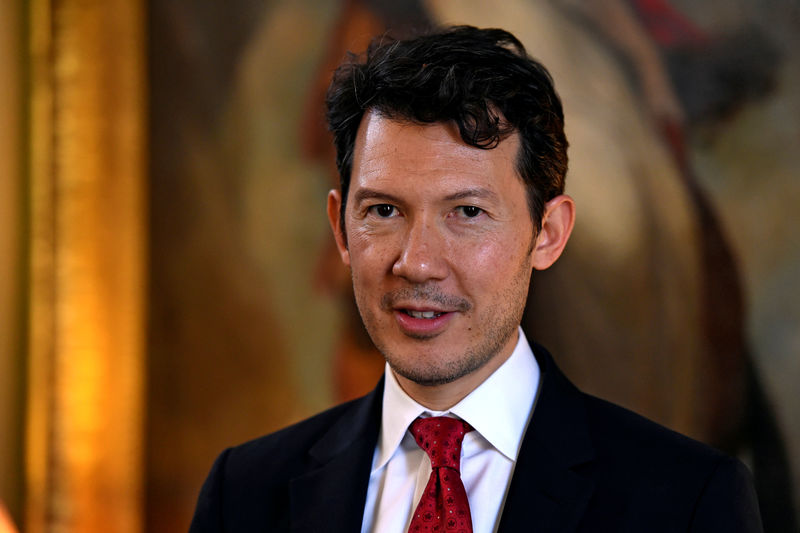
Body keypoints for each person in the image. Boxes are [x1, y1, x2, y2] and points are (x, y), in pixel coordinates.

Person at [189, 26, 763, 532]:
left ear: (548, 233)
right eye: (383, 211)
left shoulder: (687, 501)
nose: (416, 262)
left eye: (467, 213)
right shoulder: (243, 495)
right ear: (340, 228)